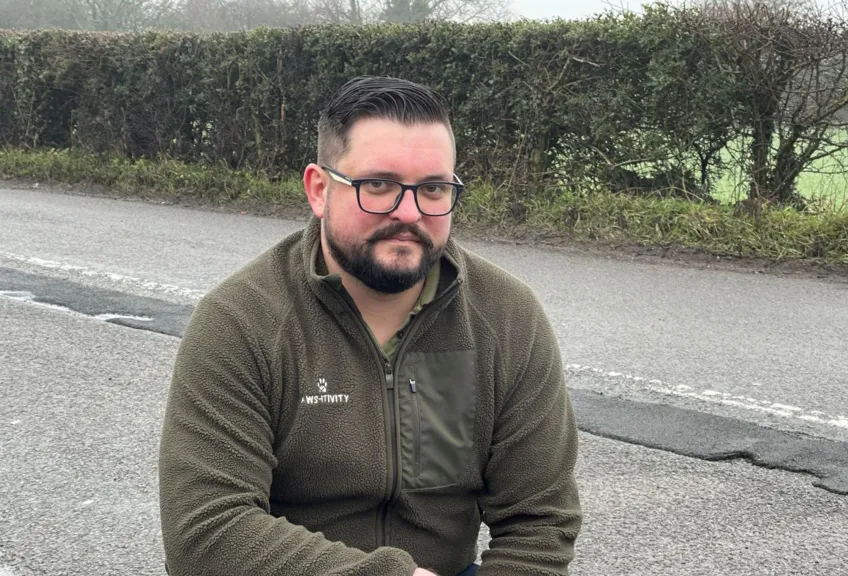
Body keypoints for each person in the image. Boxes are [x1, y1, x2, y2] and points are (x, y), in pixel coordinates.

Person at [157, 75, 582, 576]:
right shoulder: (241, 322)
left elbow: (540, 521)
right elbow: (207, 531)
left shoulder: (506, 320)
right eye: (377, 185)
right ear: (319, 189)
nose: (409, 212)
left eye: (433, 188)